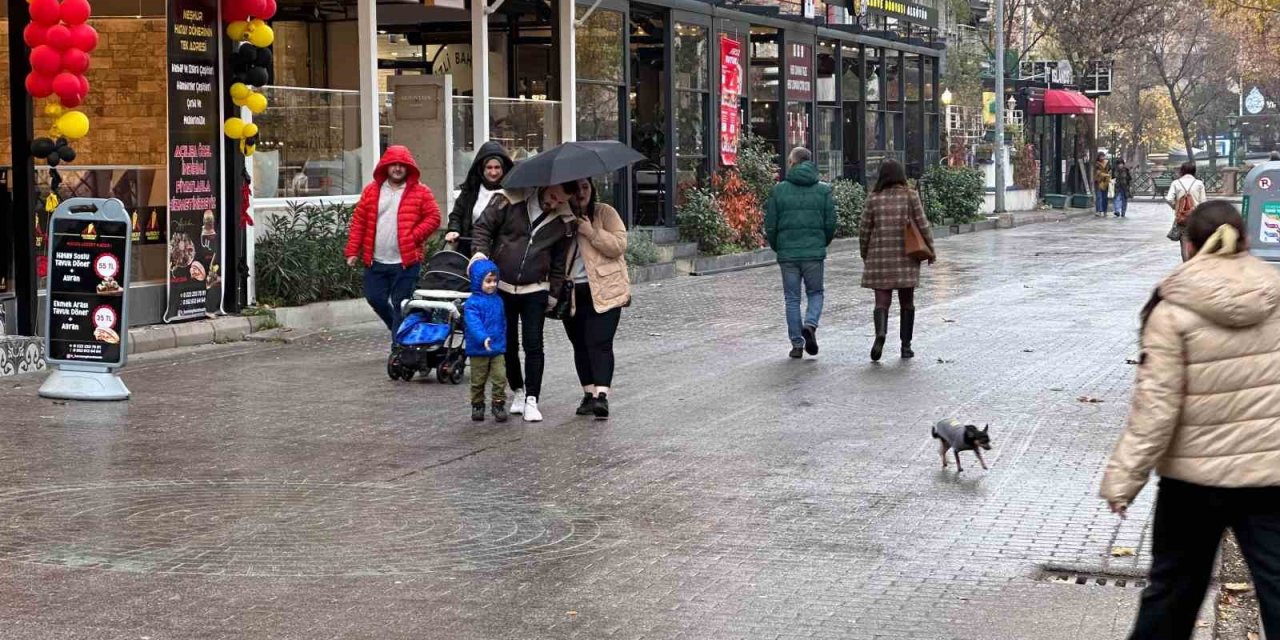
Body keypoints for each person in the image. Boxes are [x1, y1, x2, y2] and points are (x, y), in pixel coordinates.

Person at [1101, 201, 1280, 640]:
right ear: (1246, 240)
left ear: (1190, 245)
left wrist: (1124, 480)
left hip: (1192, 482)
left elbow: (1156, 410)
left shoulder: (1171, 309)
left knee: (1172, 595)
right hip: (1270, 476)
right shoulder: (1275, 294)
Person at [472, 184, 575, 423]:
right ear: (544, 186)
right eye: (552, 197)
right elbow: (483, 228)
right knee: (507, 343)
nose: (555, 204)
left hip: (536, 288)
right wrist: (479, 255)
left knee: (533, 344)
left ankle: (532, 399)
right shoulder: (509, 201)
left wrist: (553, 293)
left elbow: (559, 261)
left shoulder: (562, 221)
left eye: (561, 201)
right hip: (502, 285)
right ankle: (517, 390)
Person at [344, 145, 442, 333]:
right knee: (375, 299)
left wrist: (413, 237)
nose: (397, 168)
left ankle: (398, 351)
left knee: (401, 304)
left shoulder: (421, 191)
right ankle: (397, 329)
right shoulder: (371, 191)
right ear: (385, 166)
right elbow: (359, 222)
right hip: (376, 261)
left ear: (409, 167)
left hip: (406, 262)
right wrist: (352, 251)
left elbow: (434, 217)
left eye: (402, 165)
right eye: (393, 164)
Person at [561, 178, 630, 420]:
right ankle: (588, 394)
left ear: (592, 188)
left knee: (600, 342)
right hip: (571, 292)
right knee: (579, 343)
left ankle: (602, 396)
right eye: (575, 189)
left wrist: (591, 232)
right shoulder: (561, 217)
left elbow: (619, 245)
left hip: (605, 288)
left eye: (585, 188)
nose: (581, 193)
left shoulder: (605, 213)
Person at [859, 158, 934, 362]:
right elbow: (923, 224)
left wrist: (864, 252)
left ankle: (880, 334)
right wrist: (931, 250)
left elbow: (864, 230)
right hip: (907, 256)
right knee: (907, 302)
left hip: (879, 256)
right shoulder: (910, 196)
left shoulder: (874, 198)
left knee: (882, 301)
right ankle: (905, 346)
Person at [764, 147, 836, 359]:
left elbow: (770, 224)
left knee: (792, 299)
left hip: (788, 253)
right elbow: (830, 222)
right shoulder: (823, 190)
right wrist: (822, 242)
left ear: (793, 163)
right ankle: (810, 324)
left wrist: (779, 246)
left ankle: (797, 344)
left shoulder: (779, 190)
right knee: (816, 293)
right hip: (813, 252)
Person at [446, 142, 514, 257]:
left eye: (497, 167)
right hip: (470, 249)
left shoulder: (512, 192)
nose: (493, 172)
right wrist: (454, 229)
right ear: (482, 169)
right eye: (489, 167)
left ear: (504, 168)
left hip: (501, 253)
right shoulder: (471, 190)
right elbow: (457, 215)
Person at [464, 258, 508, 423]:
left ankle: (498, 403)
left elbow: (502, 322)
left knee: (500, 377)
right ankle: (477, 404)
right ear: (478, 281)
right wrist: (483, 338)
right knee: (478, 380)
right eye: (488, 281)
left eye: (495, 281)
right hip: (478, 348)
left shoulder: (498, 300)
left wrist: (502, 340)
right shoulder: (472, 304)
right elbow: (473, 324)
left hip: (496, 347)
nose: (492, 285)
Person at [1165, 161, 1207, 262]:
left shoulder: (1176, 183)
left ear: (1182, 171)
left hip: (1182, 218)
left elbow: (1169, 199)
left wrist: (1177, 207)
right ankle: (1194, 263)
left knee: (1184, 244)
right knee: (1196, 242)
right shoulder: (1199, 183)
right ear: (1194, 171)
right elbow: (1203, 202)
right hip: (1196, 218)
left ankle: (1186, 265)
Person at [1094, 152, 1112, 217]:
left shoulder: (1107, 163)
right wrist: (1106, 175)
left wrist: (1109, 176)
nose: (1102, 158)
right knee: (1099, 197)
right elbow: (1097, 173)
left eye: (1103, 156)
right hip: (1098, 182)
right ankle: (1098, 211)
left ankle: (1105, 211)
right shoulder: (1097, 164)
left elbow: (1110, 171)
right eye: (1100, 156)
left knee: (1105, 198)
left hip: (1106, 182)